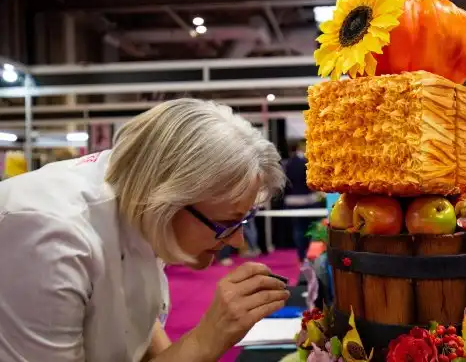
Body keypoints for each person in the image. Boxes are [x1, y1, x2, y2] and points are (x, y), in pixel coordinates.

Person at [0, 99, 289, 362]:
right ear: (167, 201)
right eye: (226, 223)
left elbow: (135, 318)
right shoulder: (47, 236)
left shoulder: (139, 196)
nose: (237, 240)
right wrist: (206, 340)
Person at [284, 141, 322, 262]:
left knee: (299, 229)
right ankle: (311, 256)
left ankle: (301, 256)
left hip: (292, 201)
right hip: (308, 200)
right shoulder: (307, 162)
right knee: (313, 228)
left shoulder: (289, 163)